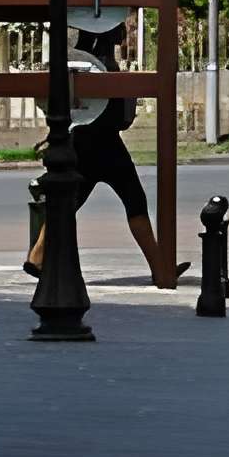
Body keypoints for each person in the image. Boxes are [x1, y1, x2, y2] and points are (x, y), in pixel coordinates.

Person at [26, 17, 152, 274]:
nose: (123, 36)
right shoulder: (100, 65)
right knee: (134, 201)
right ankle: (160, 269)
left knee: (67, 201)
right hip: (103, 142)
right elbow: (115, 112)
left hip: (82, 140)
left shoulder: (77, 63)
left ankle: (37, 257)